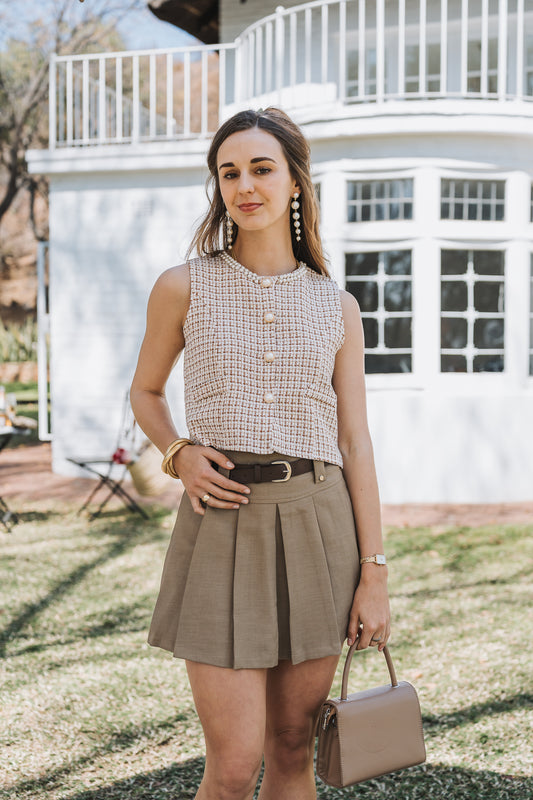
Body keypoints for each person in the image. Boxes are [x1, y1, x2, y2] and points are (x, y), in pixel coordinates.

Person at [130, 107, 391, 800]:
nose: (245, 185)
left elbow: (354, 440)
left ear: (296, 183)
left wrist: (373, 573)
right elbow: (146, 392)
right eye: (229, 172)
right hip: (220, 526)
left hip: (318, 526)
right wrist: (176, 450)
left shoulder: (336, 306)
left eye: (261, 168)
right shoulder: (182, 286)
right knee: (234, 760)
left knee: (290, 752)